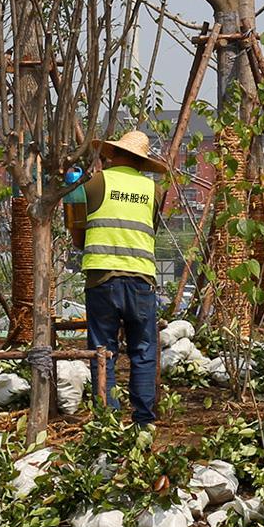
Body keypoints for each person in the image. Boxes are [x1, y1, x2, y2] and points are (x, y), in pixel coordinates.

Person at [63, 129, 167, 425]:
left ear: (113, 154)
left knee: (102, 350)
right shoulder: (153, 191)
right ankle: (144, 421)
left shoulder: (95, 182)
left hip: (102, 280)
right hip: (142, 281)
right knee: (144, 351)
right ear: (140, 161)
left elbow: (78, 235)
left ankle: (107, 420)